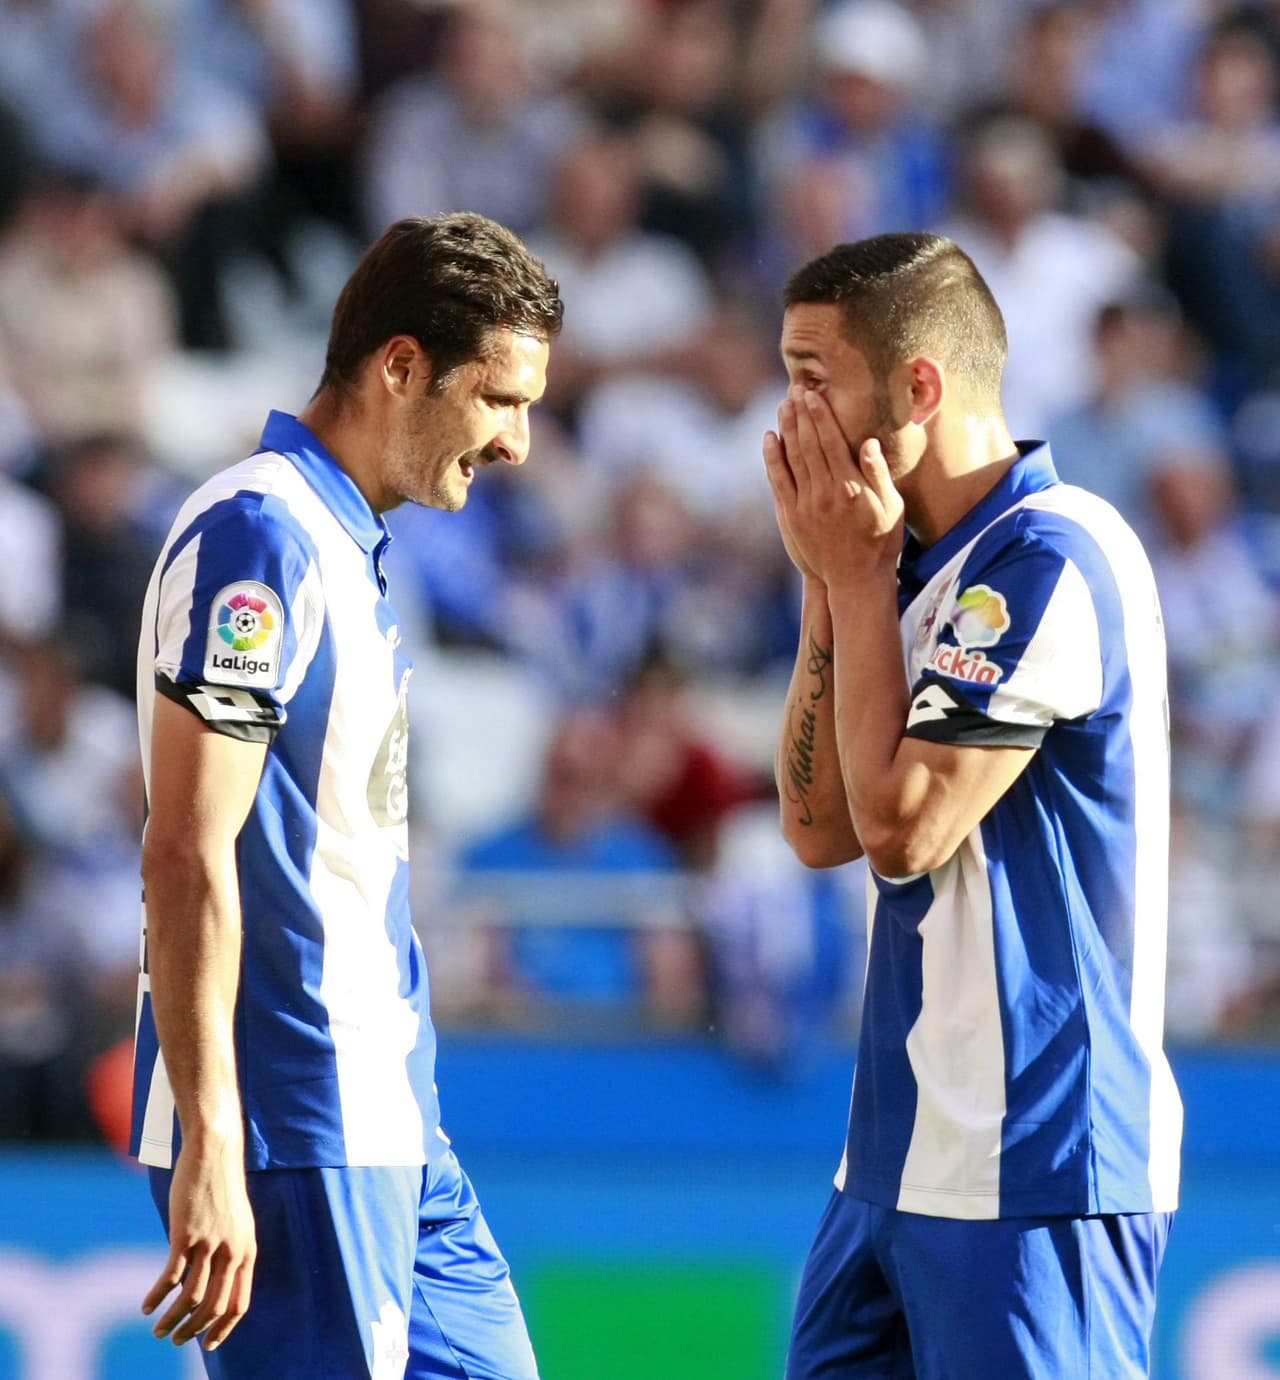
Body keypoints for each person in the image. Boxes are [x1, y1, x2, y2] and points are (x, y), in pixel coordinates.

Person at [130, 211, 562, 1377]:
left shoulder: (339, 537)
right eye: (499, 398)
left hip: (388, 1115)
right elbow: (186, 849)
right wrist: (216, 1137)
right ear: (401, 366)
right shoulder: (259, 536)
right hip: (292, 1114)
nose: (518, 443)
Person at [762, 231, 1181, 1379]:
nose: (787, 414)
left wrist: (849, 579)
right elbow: (815, 828)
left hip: (1040, 1160)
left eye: (811, 377)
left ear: (918, 387)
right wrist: (826, 583)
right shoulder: (889, 560)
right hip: (890, 1162)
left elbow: (901, 831)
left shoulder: (1053, 554)